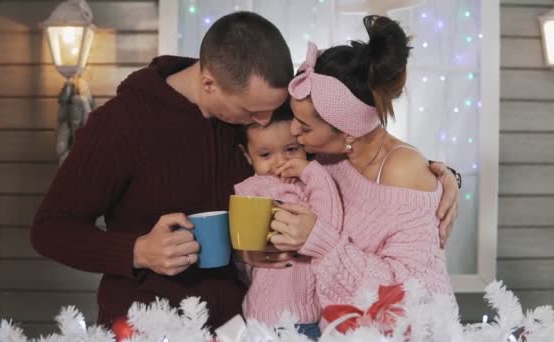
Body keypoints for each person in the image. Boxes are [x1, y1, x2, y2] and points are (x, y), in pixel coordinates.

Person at [30, 11, 459, 330]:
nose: (266, 125)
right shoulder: (121, 125)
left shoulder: (264, 101)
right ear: (210, 83)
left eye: (275, 113)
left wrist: (439, 178)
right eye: (252, 113)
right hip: (150, 324)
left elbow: (347, 134)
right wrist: (137, 251)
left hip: (248, 325)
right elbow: (50, 229)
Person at [268, 16, 454, 329]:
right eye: (293, 116)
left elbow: (411, 295)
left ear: (349, 133)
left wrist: (322, 241)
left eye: (305, 126)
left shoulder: (402, 172)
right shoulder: (327, 154)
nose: (292, 130)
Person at [233, 104, 342, 339]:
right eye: (265, 154)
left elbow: (330, 225)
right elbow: (244, 254)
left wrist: (313, 172)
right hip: (262, 314)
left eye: (291, 149)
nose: (280, 161)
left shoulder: (311, 183)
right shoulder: (249, 191)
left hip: (306, 317)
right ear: (247, 156)